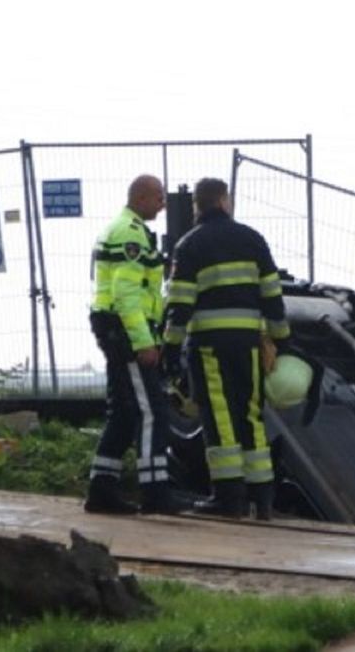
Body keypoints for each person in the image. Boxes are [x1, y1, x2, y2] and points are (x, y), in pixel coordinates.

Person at [162, 178, 290, 519]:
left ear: (197, 206)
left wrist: (171, 349)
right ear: (224, 201)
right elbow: (272, 294)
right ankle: (263, 499)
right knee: (250, 413)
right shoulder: (252, 239)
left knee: (220, 416)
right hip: (249, 343)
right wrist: (280, 339)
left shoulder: (189, 245)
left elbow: (180, 303)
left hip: (210, 345)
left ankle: (228, 498)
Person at [84, 174, 184, 515]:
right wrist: (144, 342)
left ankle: (102, 487)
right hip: (126, 332)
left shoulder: (129, 229)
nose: (163, 202)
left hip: (117, 328)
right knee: (150, 411)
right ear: (140, 197)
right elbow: (127, 295)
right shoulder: (130, 233)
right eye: (158, 196)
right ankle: (155, 491)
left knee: (125, 411)